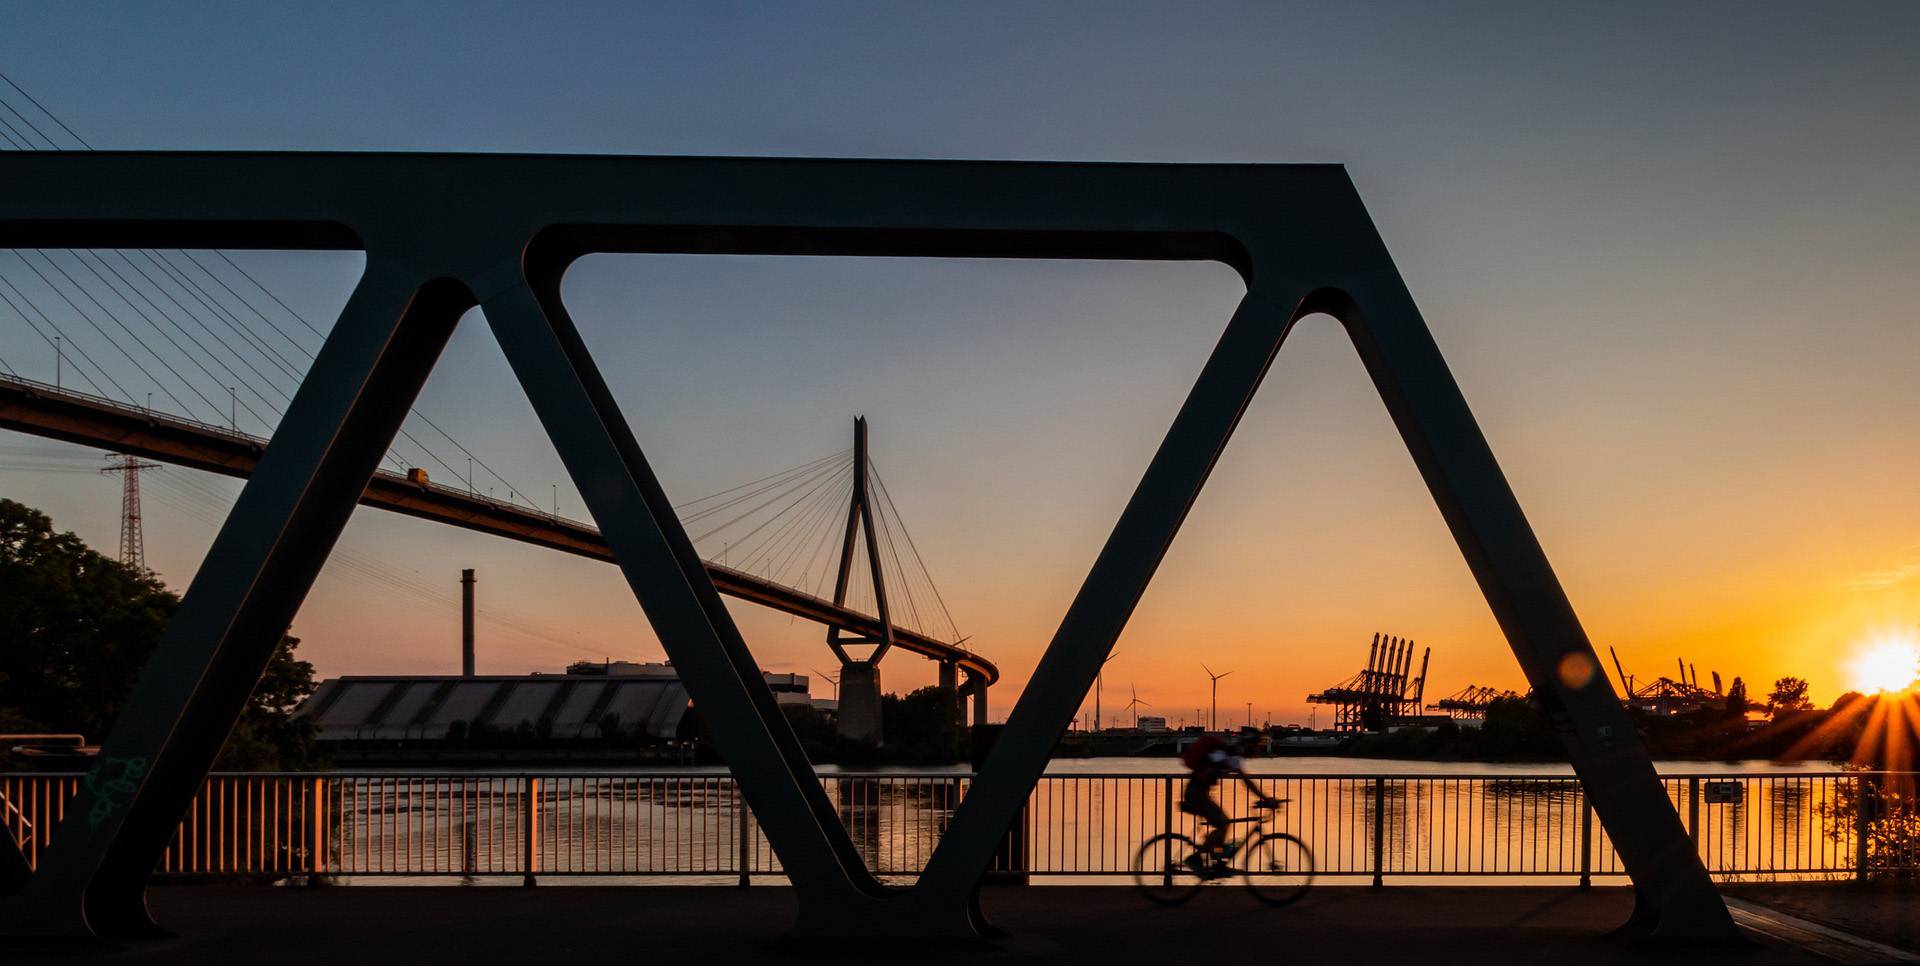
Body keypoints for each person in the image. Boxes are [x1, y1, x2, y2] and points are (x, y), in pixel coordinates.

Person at [1179, 734, 1278, 872]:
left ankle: (1217, 858)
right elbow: (1246, 781)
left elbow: (1242, 779)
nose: (1257, 751)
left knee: (1223, 825)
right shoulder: (1228, 754)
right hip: (1196, 794)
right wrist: (1266, 799)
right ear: (1248, 745)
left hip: (1199, 793)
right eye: (1256, 747)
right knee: (1222, 825)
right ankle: (1196, 858)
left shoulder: (1230, 755)